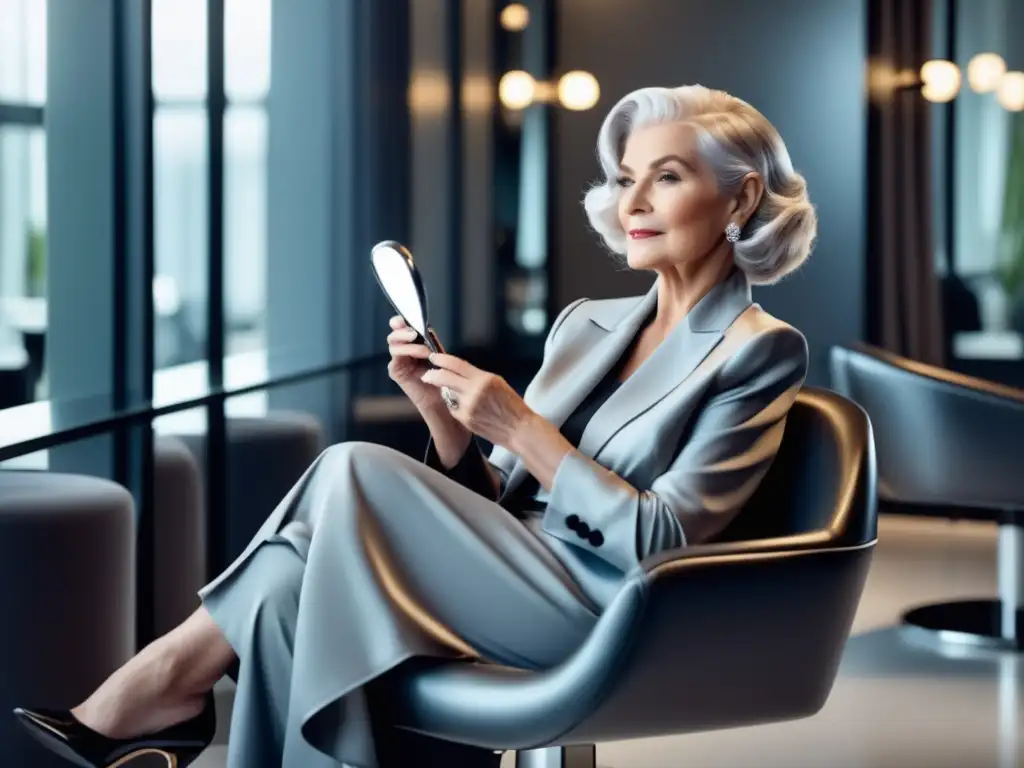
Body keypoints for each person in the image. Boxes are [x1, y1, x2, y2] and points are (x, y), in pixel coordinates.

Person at [13, 83, 816, 768]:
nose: (632, 202)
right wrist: (448, 418)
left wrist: (525, 424)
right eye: (625, 178)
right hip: (507, 571)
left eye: (666, 178)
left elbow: (665, 542)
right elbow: (495, 498)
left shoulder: (759, 352)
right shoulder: (586, 325)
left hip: (606, 608)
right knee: (288, 582)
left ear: (741, 197)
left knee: (348, 467)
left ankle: (157, 692)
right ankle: (158, 700)